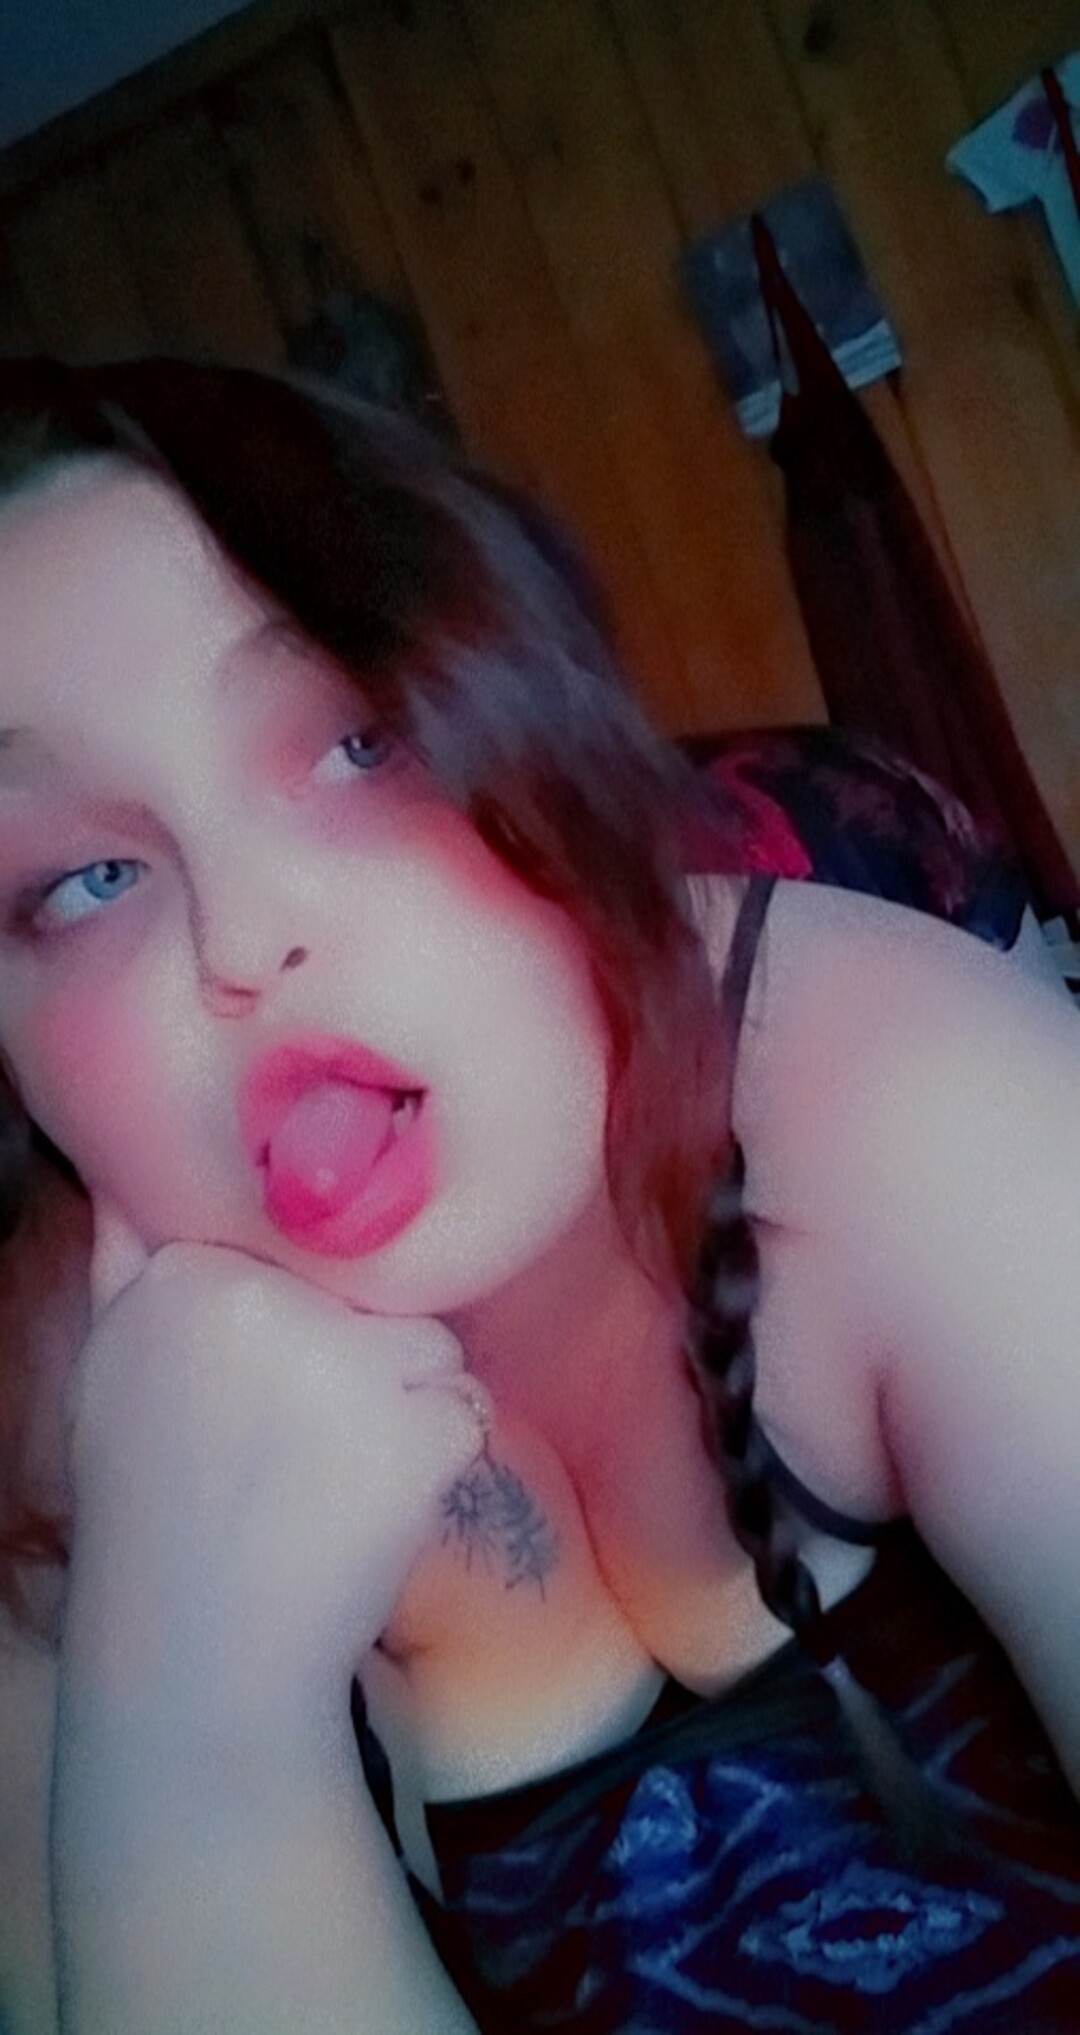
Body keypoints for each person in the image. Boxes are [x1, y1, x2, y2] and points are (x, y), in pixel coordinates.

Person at [0, 357, 1077, 2035]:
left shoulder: (908, 1093)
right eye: (83, 879)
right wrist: (190, 1719)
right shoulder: (47, 1445)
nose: (243, 940)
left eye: (358, 740)